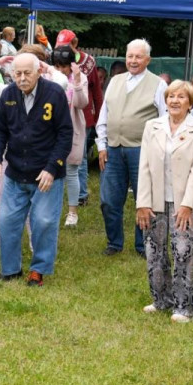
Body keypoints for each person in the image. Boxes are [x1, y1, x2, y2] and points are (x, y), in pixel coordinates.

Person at [0, 53, 73, 286]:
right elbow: (1, 131)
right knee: (7, 221)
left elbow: (66, 134)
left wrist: (51, 168)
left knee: (44, 221)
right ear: (11, 74)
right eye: (18, 73)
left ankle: (38, 270)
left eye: (27, 73)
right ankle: (10, 270)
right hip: (15, 171)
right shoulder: (7, 95)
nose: (22, 78)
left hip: (46, 174)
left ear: (39, 72)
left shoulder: (54, 93)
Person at [135, 80, 193, 323]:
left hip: (186, 202)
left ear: (190, 102)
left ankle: (184, 306)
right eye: (171, 96)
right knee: (154, 251)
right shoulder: (152, 126)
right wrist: (142, 203)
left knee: (184, 252)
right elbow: (144, 166)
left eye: (181, 97)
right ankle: (161, 300)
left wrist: (186, 205)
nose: (175, 100)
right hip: (155, 200)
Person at [96, 38, 168, 258]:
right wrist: (101, 145)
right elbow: (104, 115)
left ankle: (143, 244)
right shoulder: (115, 81)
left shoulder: (158, 84)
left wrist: (159, 150)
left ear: (148, 60)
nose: (133, 60)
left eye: (138, 57)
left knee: (144, 199)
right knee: (109, 200)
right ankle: (114, 242)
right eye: (130, 56)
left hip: (142, 150)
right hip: (113, 148)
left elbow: (165, 119)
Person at [55, 30, 104, 210]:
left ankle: (81, 196)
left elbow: (96, 91)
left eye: (65, 46)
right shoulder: (57, 64)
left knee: (79, 158)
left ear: (74, 45)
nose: (61, 50)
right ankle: (61, 197)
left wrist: (98, 116)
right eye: (59, 47)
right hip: (61, 117)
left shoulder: (87, 62)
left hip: (84, 115)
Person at [52, 48, 89, 228]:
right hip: (50, 130)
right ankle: (51, 209)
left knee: (71, 170)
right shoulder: (48, 76)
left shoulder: (80, 78)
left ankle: (72, 212)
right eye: (57, 66)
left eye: (64, 66)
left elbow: (82, 103)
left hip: (72, 127)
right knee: (50, 170)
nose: (60, 70)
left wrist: (76, 81)